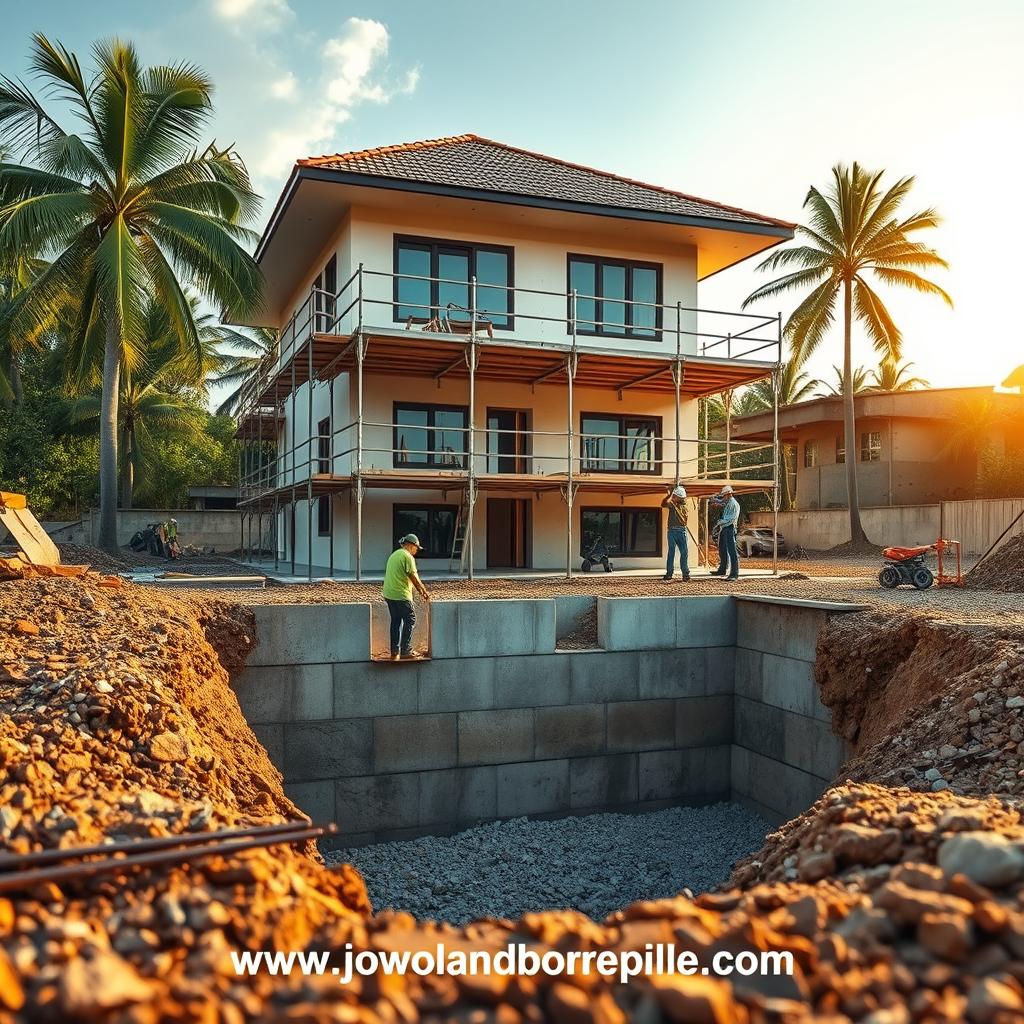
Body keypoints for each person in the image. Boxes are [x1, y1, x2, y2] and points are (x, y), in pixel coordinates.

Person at [382, 533, 431, 659]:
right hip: (401, 594)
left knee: (396, 621)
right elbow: (414, 578)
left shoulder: (395, 554)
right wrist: (424, 593)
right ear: (411, 545)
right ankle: (405, 650)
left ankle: (394, 651)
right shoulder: (407, 556)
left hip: (389, 594)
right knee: (410, 619)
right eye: (416, 548)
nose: (416, 551)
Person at [660, 485, 690, 581]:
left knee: (681, 553)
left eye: (674, 496)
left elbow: (664, 503)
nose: (673, 497)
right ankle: (673, 574)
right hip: (675, 531)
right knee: (676, 553)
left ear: (678, 497)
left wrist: (670, 494)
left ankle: (682, 574)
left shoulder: (679, 506)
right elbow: (663, 504)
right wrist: (670, 495)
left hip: (679, 531)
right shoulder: (674, 505)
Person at [710, 485, 741, 580]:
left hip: (729, 528)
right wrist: (715, 500)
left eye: (724, 496)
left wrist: (720, 522)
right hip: (724, 528)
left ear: (728, 494)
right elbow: (721, 502)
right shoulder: (728, 502)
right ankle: (722, 569)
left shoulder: (733, 504)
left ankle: (734, 574)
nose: (723, 498)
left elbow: (731, 518)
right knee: (722, 548)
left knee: (732, 551)